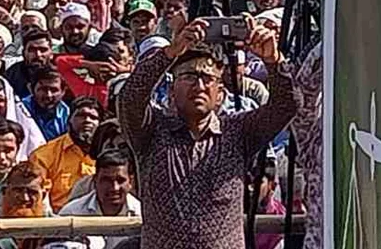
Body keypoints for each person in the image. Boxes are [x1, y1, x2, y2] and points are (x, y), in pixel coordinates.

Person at [117, 15, 297, 249]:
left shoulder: (238, 132)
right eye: (189, 76)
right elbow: (129, 98)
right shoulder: (151, 131)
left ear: (220, 94)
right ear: (171, 91)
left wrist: (273, 60)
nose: (199, 86)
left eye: (208, 78)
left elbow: (287, 105)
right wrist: (170, 53)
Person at [57, 149, 141, 249]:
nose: (114, 188)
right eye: (106, 180)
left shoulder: (141, 214)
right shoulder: (71, 213)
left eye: (120, 180)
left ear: (130, 182)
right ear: (95, 180)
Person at [29, 96, 100, 211]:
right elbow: (38, 196)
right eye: (81, 115)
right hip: (59, 218)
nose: (87, 120)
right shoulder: (44, 155)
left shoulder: (107, 152)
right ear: (69, 120)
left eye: (93, 117)